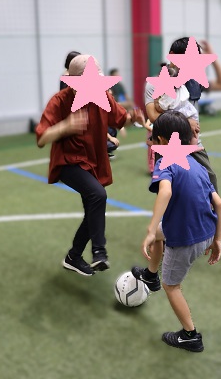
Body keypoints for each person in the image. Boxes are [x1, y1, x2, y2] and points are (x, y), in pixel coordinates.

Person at [35, 55, 145, 276]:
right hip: (68, 162)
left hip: (93, 162)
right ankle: (99, 252)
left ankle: (73, 256)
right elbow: (41, 138)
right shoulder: (59, 101)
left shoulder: (103, 96)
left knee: (93, 209)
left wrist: (133, 118)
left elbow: (120, 119)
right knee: (98, 195)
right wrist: (65, 126)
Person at [131, 111, 221, 353]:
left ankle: (190, 335)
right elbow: (220, 204)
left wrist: (150, 229)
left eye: (152, 139)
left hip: (185, 238)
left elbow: (165, 192)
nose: (151, 143)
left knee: (172, 286)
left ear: (163, 141)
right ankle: (150, 276)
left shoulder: (165, 163)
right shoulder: (197, 165)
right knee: (160, 233)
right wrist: (217, 240)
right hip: (207, 231)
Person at [145, 37, 221, 191]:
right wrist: (185, 123)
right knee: (171, 194)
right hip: (167, 148)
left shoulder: (195, 81)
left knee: (210, 187)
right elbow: (153, 116)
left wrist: (213, 58)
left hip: (194, 146)